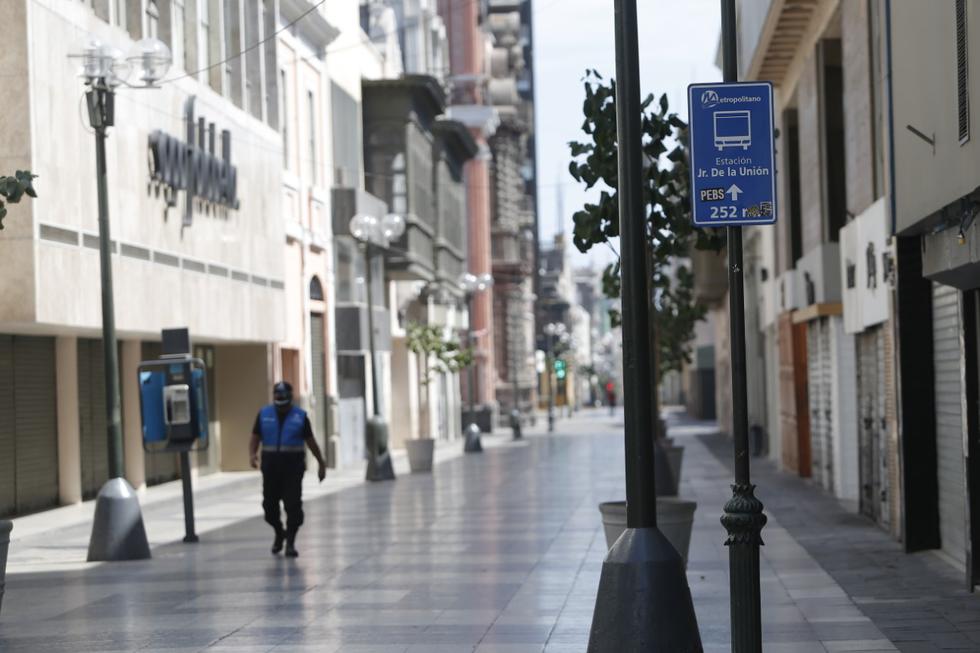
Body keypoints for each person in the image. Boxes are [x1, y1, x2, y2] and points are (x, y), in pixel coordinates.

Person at [249, 381, 326, 558]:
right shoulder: (264, 414)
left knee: (293, 507)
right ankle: (279, 532)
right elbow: (255, 437)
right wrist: (252, 455)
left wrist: (321, 463)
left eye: (284, 397)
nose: (281, 400)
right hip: (270, 470)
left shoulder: (300, 416)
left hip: (292, 470)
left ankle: (290, 541)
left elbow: (311, 442)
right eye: (278, 396)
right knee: (269, 508)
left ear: (291, 398)